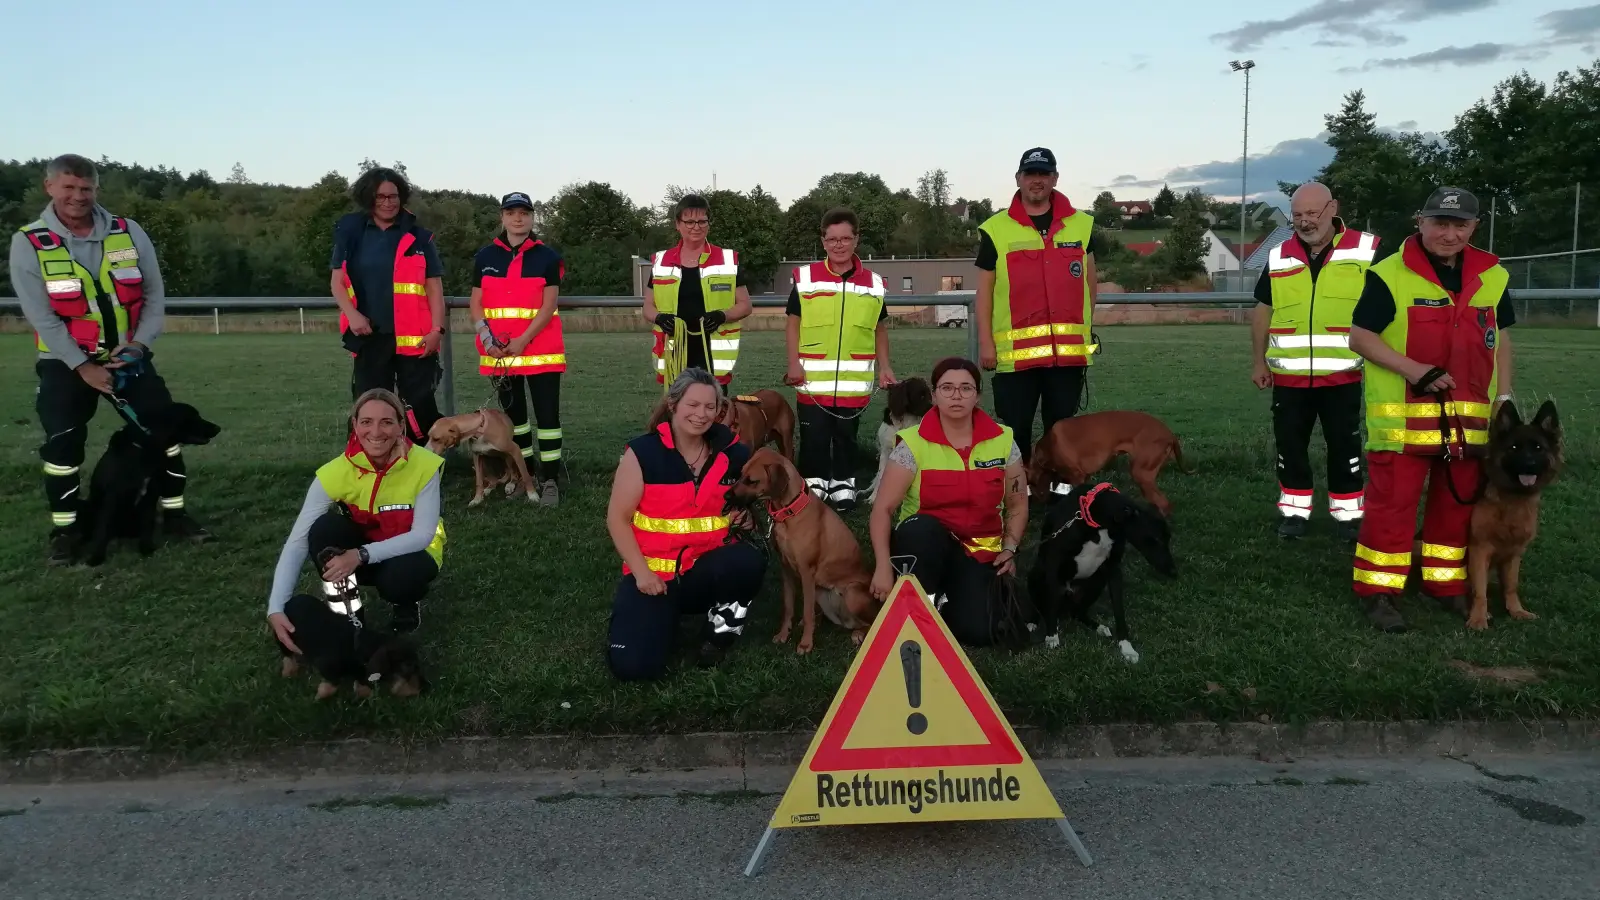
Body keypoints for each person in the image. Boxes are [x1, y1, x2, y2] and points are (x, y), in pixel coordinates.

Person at [9, 153, 213, 566]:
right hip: (66, 363)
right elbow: (41, 316)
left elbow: (155, 297)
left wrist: (138, 345)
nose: (77, 196)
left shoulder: (128, 231)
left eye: (86, 188)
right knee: (63, 449)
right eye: (68, 187)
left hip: (129, 358)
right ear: (50, 187)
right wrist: (83, 367)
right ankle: (66, 532)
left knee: (166, 436)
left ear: (96, 189)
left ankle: (174, 516)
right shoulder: (28, 242)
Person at [1347, 186, 1517, 634]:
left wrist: (1504, 397)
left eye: (1460, 225)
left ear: (1474, 227)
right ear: (1419, 222)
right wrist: (1414, 370)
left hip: (1469, 425)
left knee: (1456, 511)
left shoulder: (1493, 276)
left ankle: (1443, 585)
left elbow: (1500, 339)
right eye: (1440, 223)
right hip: (1403, 422)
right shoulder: (1389, 274)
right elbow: (1360, 337)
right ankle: (1378, 592)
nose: (1448, 233)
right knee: (1392, 511)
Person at [605, 368, 766, 680]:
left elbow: (749, 495)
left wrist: (747, 516)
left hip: (706, 570)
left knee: (748, 561)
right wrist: (641, 573)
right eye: (692, 405)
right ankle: (654, 618)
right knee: (633, 668)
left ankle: (719, 632)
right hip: (653, 578)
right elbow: (617, 519)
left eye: (710, 407)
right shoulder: (642, 453)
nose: (701, 415)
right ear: (673, 405)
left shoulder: (736, 453)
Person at [868, 357, 1029, 647]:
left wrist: (1010, 548)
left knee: (979, 632)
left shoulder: (1004, 441)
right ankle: (915, 604)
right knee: (921, 529)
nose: (956, 395)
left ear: (978, 396)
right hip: (927, 546)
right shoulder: (912, 443)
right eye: (948, 388)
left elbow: (1017, 504)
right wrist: (881, 566)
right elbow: (883, 509)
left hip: (979, 555)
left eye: (966, 388)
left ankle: (948, 602)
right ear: (934, 395)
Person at [1250, 181, 1379, 542]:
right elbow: (1263, 310)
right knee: (1290, 451)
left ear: (1332, 208)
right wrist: (1258, 362)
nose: (1306, 222)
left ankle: (1348, 518)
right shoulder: (1278, 256)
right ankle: (1294, 514)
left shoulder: (1368, 250)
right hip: (1288, 380)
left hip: (1344, 376)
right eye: (1298, 215)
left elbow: (1390, 307)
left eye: (1313, 213)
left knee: (1345, 450)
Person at [267, 389, 445, 645]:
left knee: (403, 577)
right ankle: (348, 615)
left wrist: (359, 555)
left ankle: (405, 603)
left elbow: (423, 535)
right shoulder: (336, 472)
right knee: (323, 528)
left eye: (386, 422)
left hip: (410, 554)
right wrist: (276, 606)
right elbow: (298, 540)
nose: (375, 432)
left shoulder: (425, 465)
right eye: (366, 422)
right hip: (362, 553)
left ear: (400, 426)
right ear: (355, 425)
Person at [975, 147, 1103, 497]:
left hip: (1068, 354)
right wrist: (985, 342)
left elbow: (1091, 282)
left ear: (1055, 179)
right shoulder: (995, 229)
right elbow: (984, 292)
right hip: (1015, 356)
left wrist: (1085, 328)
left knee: (1061, 426)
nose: (1037, 180)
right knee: (1015, 426)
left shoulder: (1083, 224)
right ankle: (1020, 486)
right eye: (1030, 174)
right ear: (1018, 179)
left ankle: (1060, 485)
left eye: (1044, 174)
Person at [784, 206, 897, 511]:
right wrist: (793, 362)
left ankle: (844, 481)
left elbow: (879, 328)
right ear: (823, 241)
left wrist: (885, 366)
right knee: (814, 435)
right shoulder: (805, 278)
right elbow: (793, 322)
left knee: (846, 435)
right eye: (832, 239)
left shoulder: (874, 283)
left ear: (856, 240)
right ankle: (814, 481)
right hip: (811, 378)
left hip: (854, 381)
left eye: (845, 238)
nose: (838, 244)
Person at [329, 166, 447, 444]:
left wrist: (436, 330)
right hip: (368, 335)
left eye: (393, 196)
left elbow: (434, 287)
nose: (388, 202)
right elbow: (337, 282)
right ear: (368, 197)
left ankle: (424, 468)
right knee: (370, 407)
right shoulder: (350, 232)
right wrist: (352, 315)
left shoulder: (420, 236)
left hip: (416, 339)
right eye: (380, 197)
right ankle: (369, 466)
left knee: (420, 406)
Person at [470, 191, 567, 505]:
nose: (518, 217)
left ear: (532, 216)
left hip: (541, 352)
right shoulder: (485, 257)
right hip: (500, 355)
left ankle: (550, 478)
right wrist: (487, 338)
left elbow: (549, 303)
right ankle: (526, 474)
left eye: (524, 212)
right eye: (511, 212)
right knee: (516, 421)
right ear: (502, 216)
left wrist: (523, 340)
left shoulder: (547, 257)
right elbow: (476, 302)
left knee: (548, 420)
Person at [642, 194, 753, 392]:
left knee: (714, 413)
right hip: (674, 350)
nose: (696, 226)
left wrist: (722, 316)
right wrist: (659, 318)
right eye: (690, 221)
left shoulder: (727, 259)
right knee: (675, 413)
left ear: (709, 224)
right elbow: (648, 306)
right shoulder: (661, 261)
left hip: (713, 353)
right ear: (678, 224)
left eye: (702, 221)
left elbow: (745, 304)